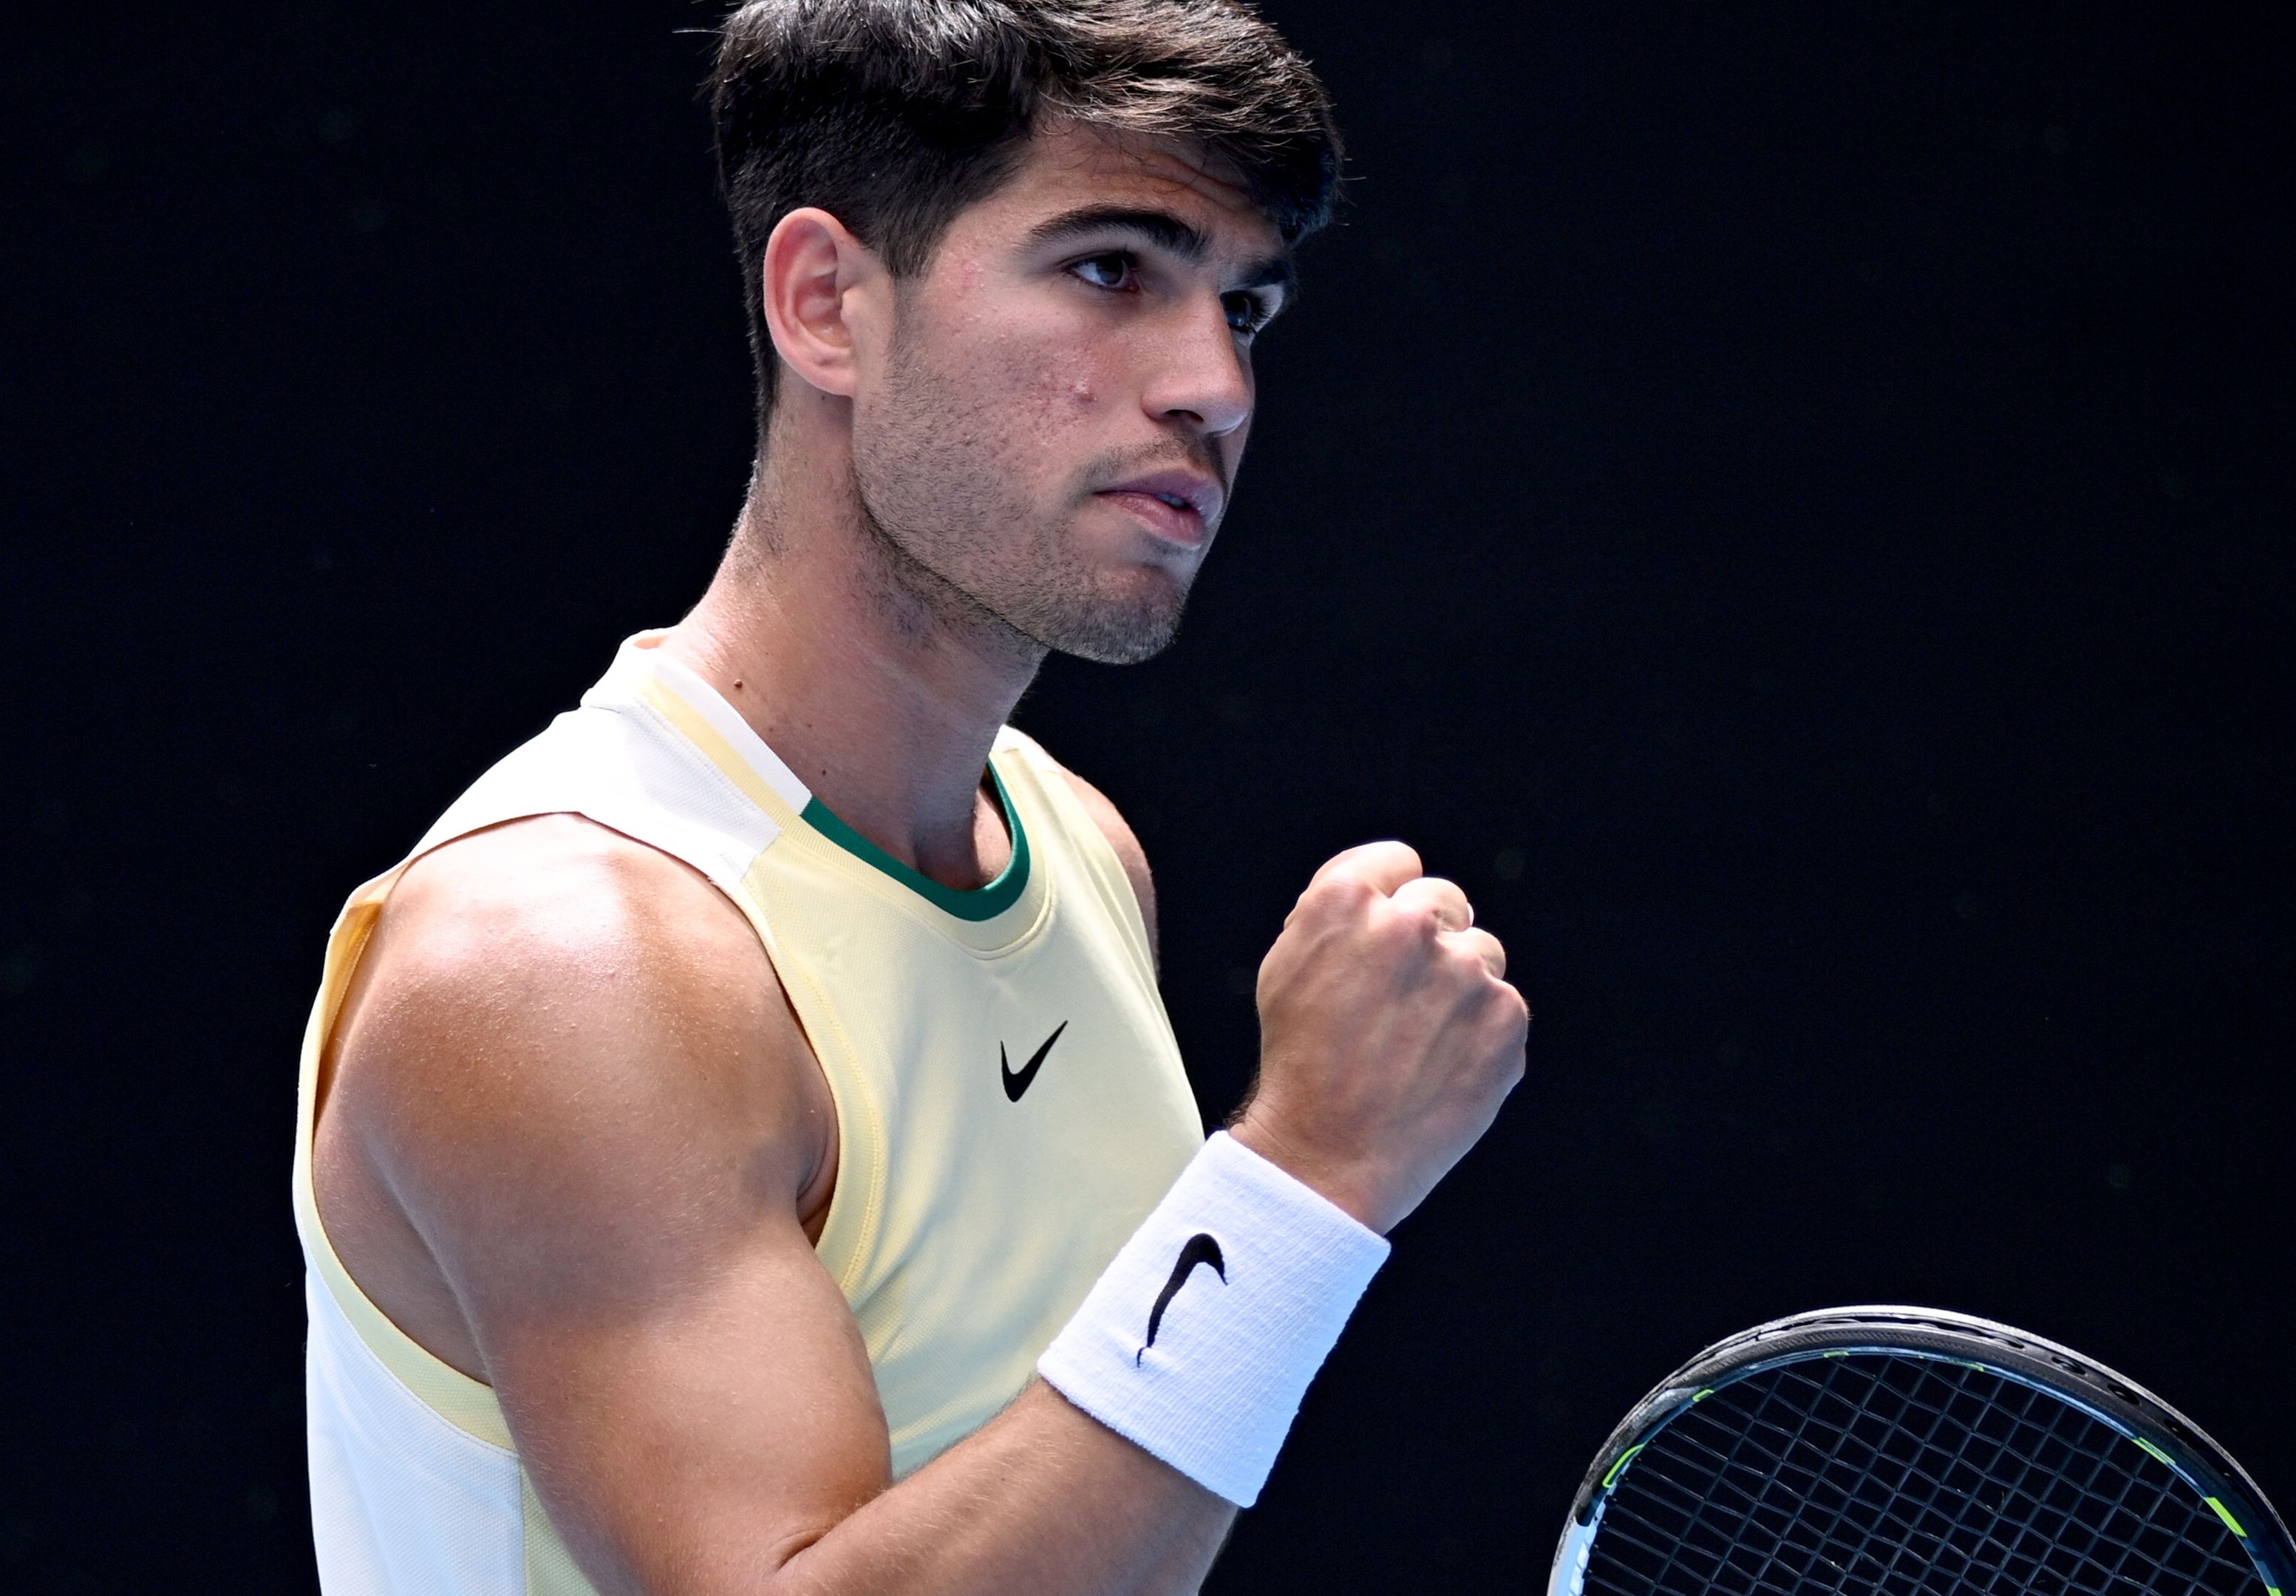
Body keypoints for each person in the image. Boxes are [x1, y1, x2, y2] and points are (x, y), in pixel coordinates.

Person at [287, 3, 1529, 1591]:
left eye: (1245, 306)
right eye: (1111, 270)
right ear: (826, 306)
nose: (1215, 385)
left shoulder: (1078, 852)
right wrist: (1305, 1179)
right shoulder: (569, 963)